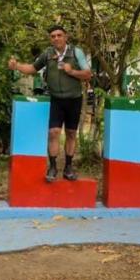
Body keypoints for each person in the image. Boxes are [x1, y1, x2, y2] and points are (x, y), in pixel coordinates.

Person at [8, 24, 92, 182]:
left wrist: (71, 71)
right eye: (53, 36)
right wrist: (16, 66)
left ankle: (68, 168)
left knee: (71, 133)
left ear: (66, 37)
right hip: (56, 99)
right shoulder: (48, 54)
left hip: (74, 99)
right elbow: (32, 68)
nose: (56, 38)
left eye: (59, 35)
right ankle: (52, 167)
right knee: (53, 132)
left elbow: (88, 74)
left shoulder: (76, 52)